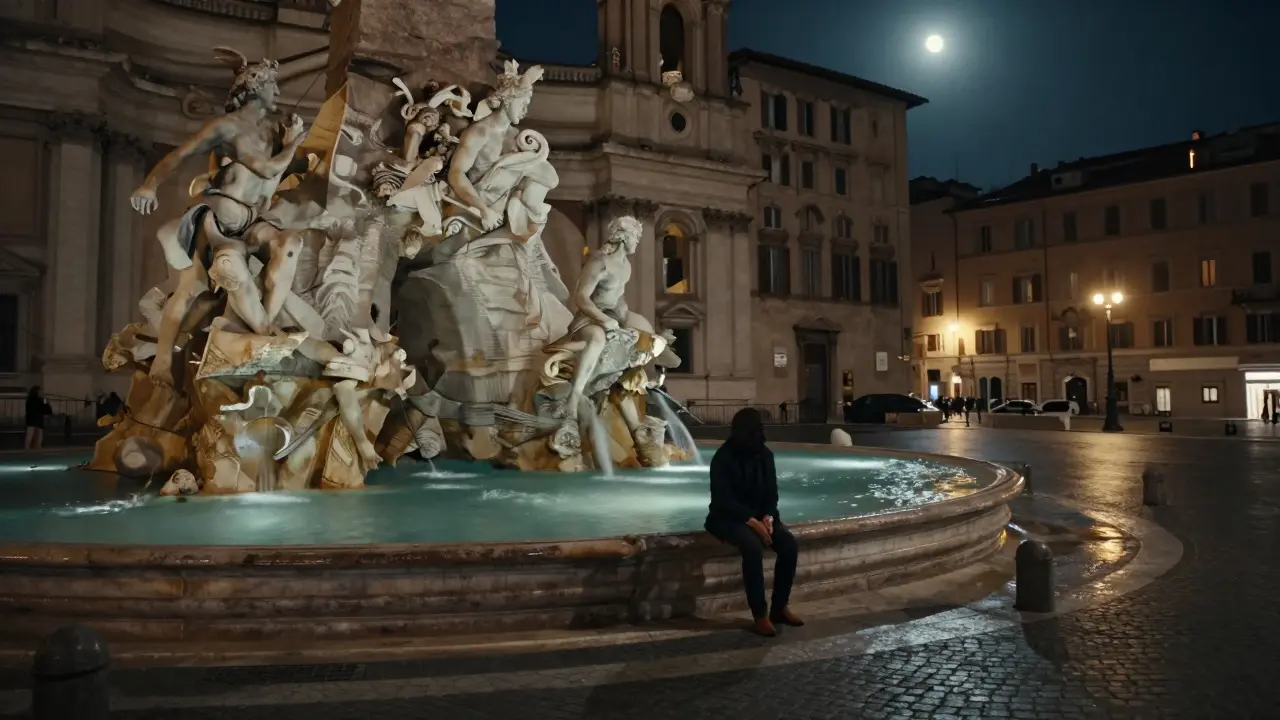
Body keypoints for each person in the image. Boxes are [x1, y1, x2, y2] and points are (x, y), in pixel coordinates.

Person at [705, 408, 803, 637]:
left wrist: (768, 517)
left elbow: (772, 494)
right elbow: (723, 500)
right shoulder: (723, 457)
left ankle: (780, 607)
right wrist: (751, 521)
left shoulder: (765, 455)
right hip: (726, 517)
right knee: (751, 547)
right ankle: (760, 614)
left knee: (788, 545)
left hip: (761, 517)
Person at [24, 386, 50, 450]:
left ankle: (34, 452)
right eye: (40, 391)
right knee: (30, 440)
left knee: (37, 441)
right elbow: (33, 410)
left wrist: (45, 402)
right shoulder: (32, 401)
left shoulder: (40, 401)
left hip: (37, 423)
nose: (42, 393)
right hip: (33, 423)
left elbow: (48, 411)